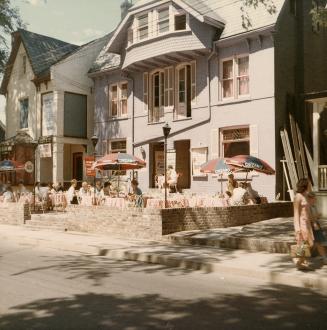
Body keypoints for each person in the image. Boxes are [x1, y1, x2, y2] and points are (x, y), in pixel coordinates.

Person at [293, 178, 314, 270]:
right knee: (303, 243)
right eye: (309, 184)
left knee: (310, 243)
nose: (311, 186)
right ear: (305, 185)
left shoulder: (306, 195)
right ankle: (299, 260)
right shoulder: (298, 196)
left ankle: (300, 259)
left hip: (307, 224)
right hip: (301, 224)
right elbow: (296, 213)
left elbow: (308, 211)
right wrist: (297, 228)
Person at [307, 192, 327, 261]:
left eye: (315, 198)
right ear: (310, 199)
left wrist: (317, 217)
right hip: (311, 226)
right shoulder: (307, 207)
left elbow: (315, 218)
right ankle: (300, 256)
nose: (315, 200)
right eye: (314, 198)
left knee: (317, 242)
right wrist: (317, 216)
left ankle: (324, 258)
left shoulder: (314, 206)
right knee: (312, 243)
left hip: (316, 226)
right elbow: (309, 218)